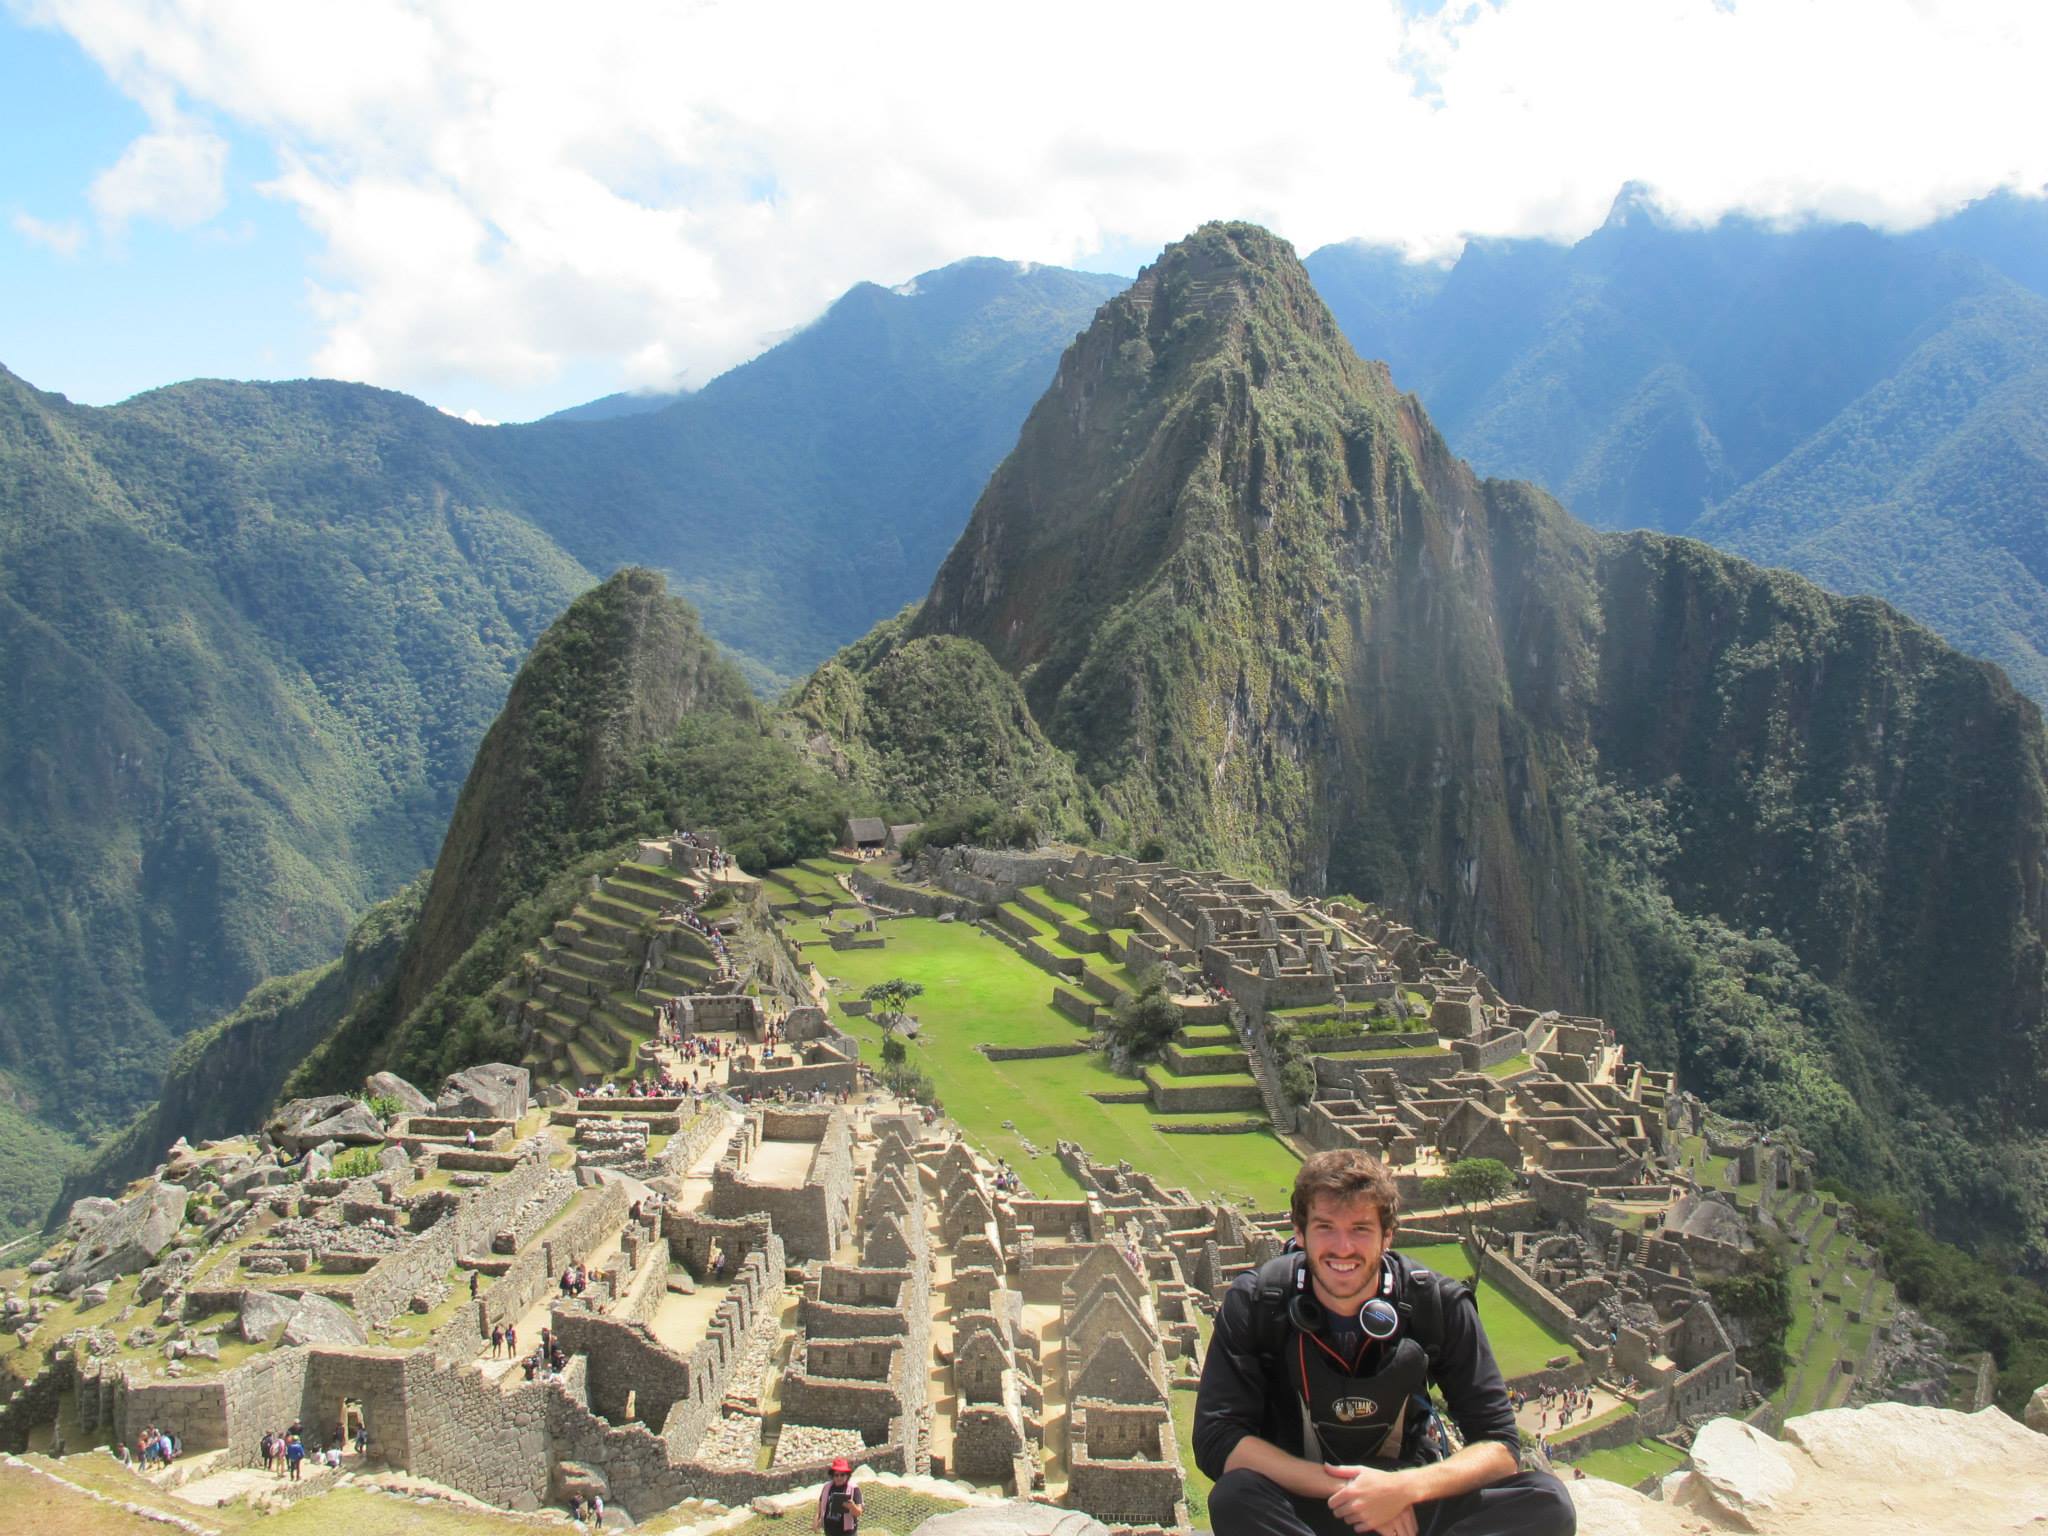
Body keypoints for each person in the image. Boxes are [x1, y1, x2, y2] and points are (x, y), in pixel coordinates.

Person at [1193, 1148, 1575, 1536]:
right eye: (1325, 1226)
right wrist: (1354, 1491)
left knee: (1547, 1502)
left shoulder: (1436, 1304)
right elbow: (1217, 1439)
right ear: (1299, 1231)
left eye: (1360, 1228)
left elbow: (1499, 1446)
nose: (1343, 1248)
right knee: (1235, 1496)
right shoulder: (1259, 1301)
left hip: (1409, 1500)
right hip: (1304, 1501)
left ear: (1387, 1235)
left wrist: (1402, 1489)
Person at [816, 1456, 862, 1533]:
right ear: (832, 1476)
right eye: (836, 1475)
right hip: (830, 1530)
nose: (839, 1478)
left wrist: (851, 1506)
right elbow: (820, 1507)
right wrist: (816, 1520)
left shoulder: (854, 1489)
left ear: (847, 1475)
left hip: (847, 1532)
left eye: (842, 1475)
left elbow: (859, 1512)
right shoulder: (827, 1487)